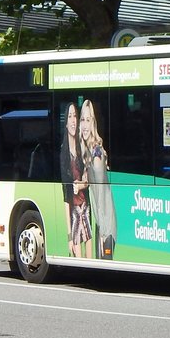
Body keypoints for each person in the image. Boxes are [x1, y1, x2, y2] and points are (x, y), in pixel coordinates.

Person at [80, 100, 117, 259]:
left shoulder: (96, 154)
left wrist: (102, 231)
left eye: (88, 120)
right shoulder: (88, 152)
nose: (85, 125)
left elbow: (101, 194)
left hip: (105, 224)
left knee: (105, 261)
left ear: (93, 123)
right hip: (100, 220)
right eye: (82, 120)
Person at [59, 101, 92, 259]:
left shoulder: (83, 148)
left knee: (91, 257)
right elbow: (66, 197)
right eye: (70, 116)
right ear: (65, 123)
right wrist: (69, 236)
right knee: (79, 260)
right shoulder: (64, 155)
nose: (73, 120)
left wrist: (82, 184)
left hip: (87, 210)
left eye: (75, 116)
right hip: (75, 213)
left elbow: (89, 178)